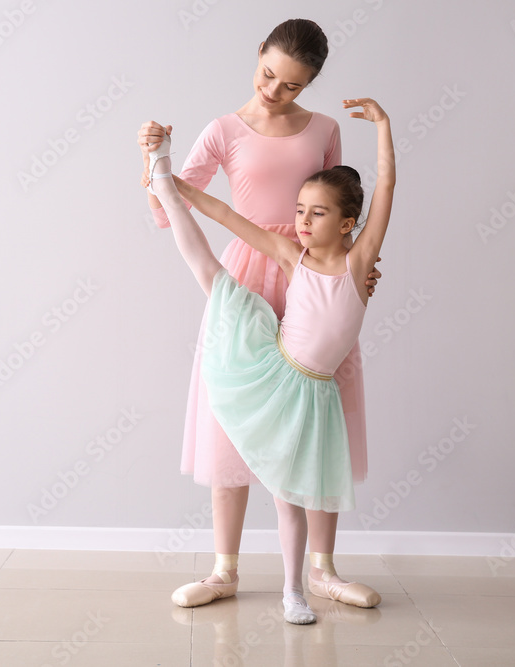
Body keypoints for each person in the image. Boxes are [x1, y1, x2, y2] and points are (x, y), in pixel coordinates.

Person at [137, 19, 381, 615]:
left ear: (311, 84)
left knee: (318, 420)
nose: (274, 91)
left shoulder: (324, 130)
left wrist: (357, 271)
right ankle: (225, 569)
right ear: (258, 56)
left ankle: (321, 571)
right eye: (268, 75)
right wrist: (150, 158)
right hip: (249, 273)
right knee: (231, 414)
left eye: (291, 85)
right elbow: (168, 207)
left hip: (311, 280)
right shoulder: (223, 130)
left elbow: (340, 205)